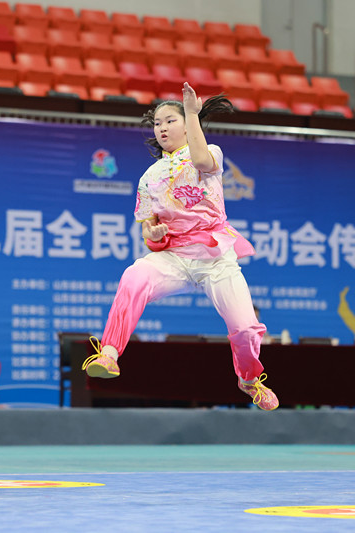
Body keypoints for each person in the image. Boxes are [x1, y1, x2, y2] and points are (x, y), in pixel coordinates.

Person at [81, 83, 278, 410]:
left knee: (245, 329)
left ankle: (249, 379)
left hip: (216, 259)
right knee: (134, 276)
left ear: (188, 125)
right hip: (174, 258)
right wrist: (154, 235)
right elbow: (148, 231)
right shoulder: (149, 177)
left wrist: (191, 111)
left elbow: (200, 159)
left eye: (170, 121)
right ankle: (109, 353)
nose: (162, 128)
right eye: (157, 123)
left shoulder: (211, 152)